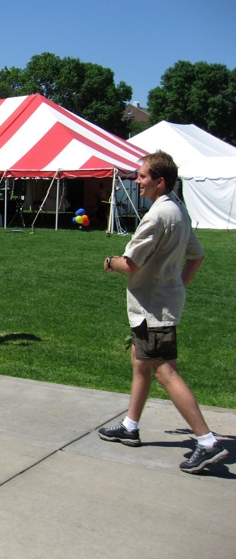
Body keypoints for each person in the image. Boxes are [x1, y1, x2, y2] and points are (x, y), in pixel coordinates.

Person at [98, 151, 227, 474]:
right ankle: (131, 425)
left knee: (164, 372)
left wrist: (109, 262)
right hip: (160, 305)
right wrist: (178, 286)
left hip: (153, 309)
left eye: (142, 176)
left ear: (159, 181)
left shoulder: (157, 216)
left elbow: (130, 264)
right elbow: (197, 256)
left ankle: (207, 441)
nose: (137, 181)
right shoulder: (178, 211)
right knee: (140, 362)